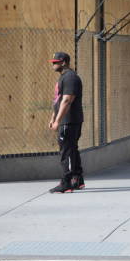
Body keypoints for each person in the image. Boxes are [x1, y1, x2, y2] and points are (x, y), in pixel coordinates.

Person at [48, 52, 85, 193]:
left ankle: (66, 182)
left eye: (55, 62)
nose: (53, 64)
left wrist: (58, 120)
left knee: (66, 152)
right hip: (67, 120)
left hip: (69, 121)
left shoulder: (70, 78)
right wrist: (53, 117)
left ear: (63, 62)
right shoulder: (64, 78)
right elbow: (58, 101)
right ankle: (77, 179)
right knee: (72, 149)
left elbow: (67, 100)